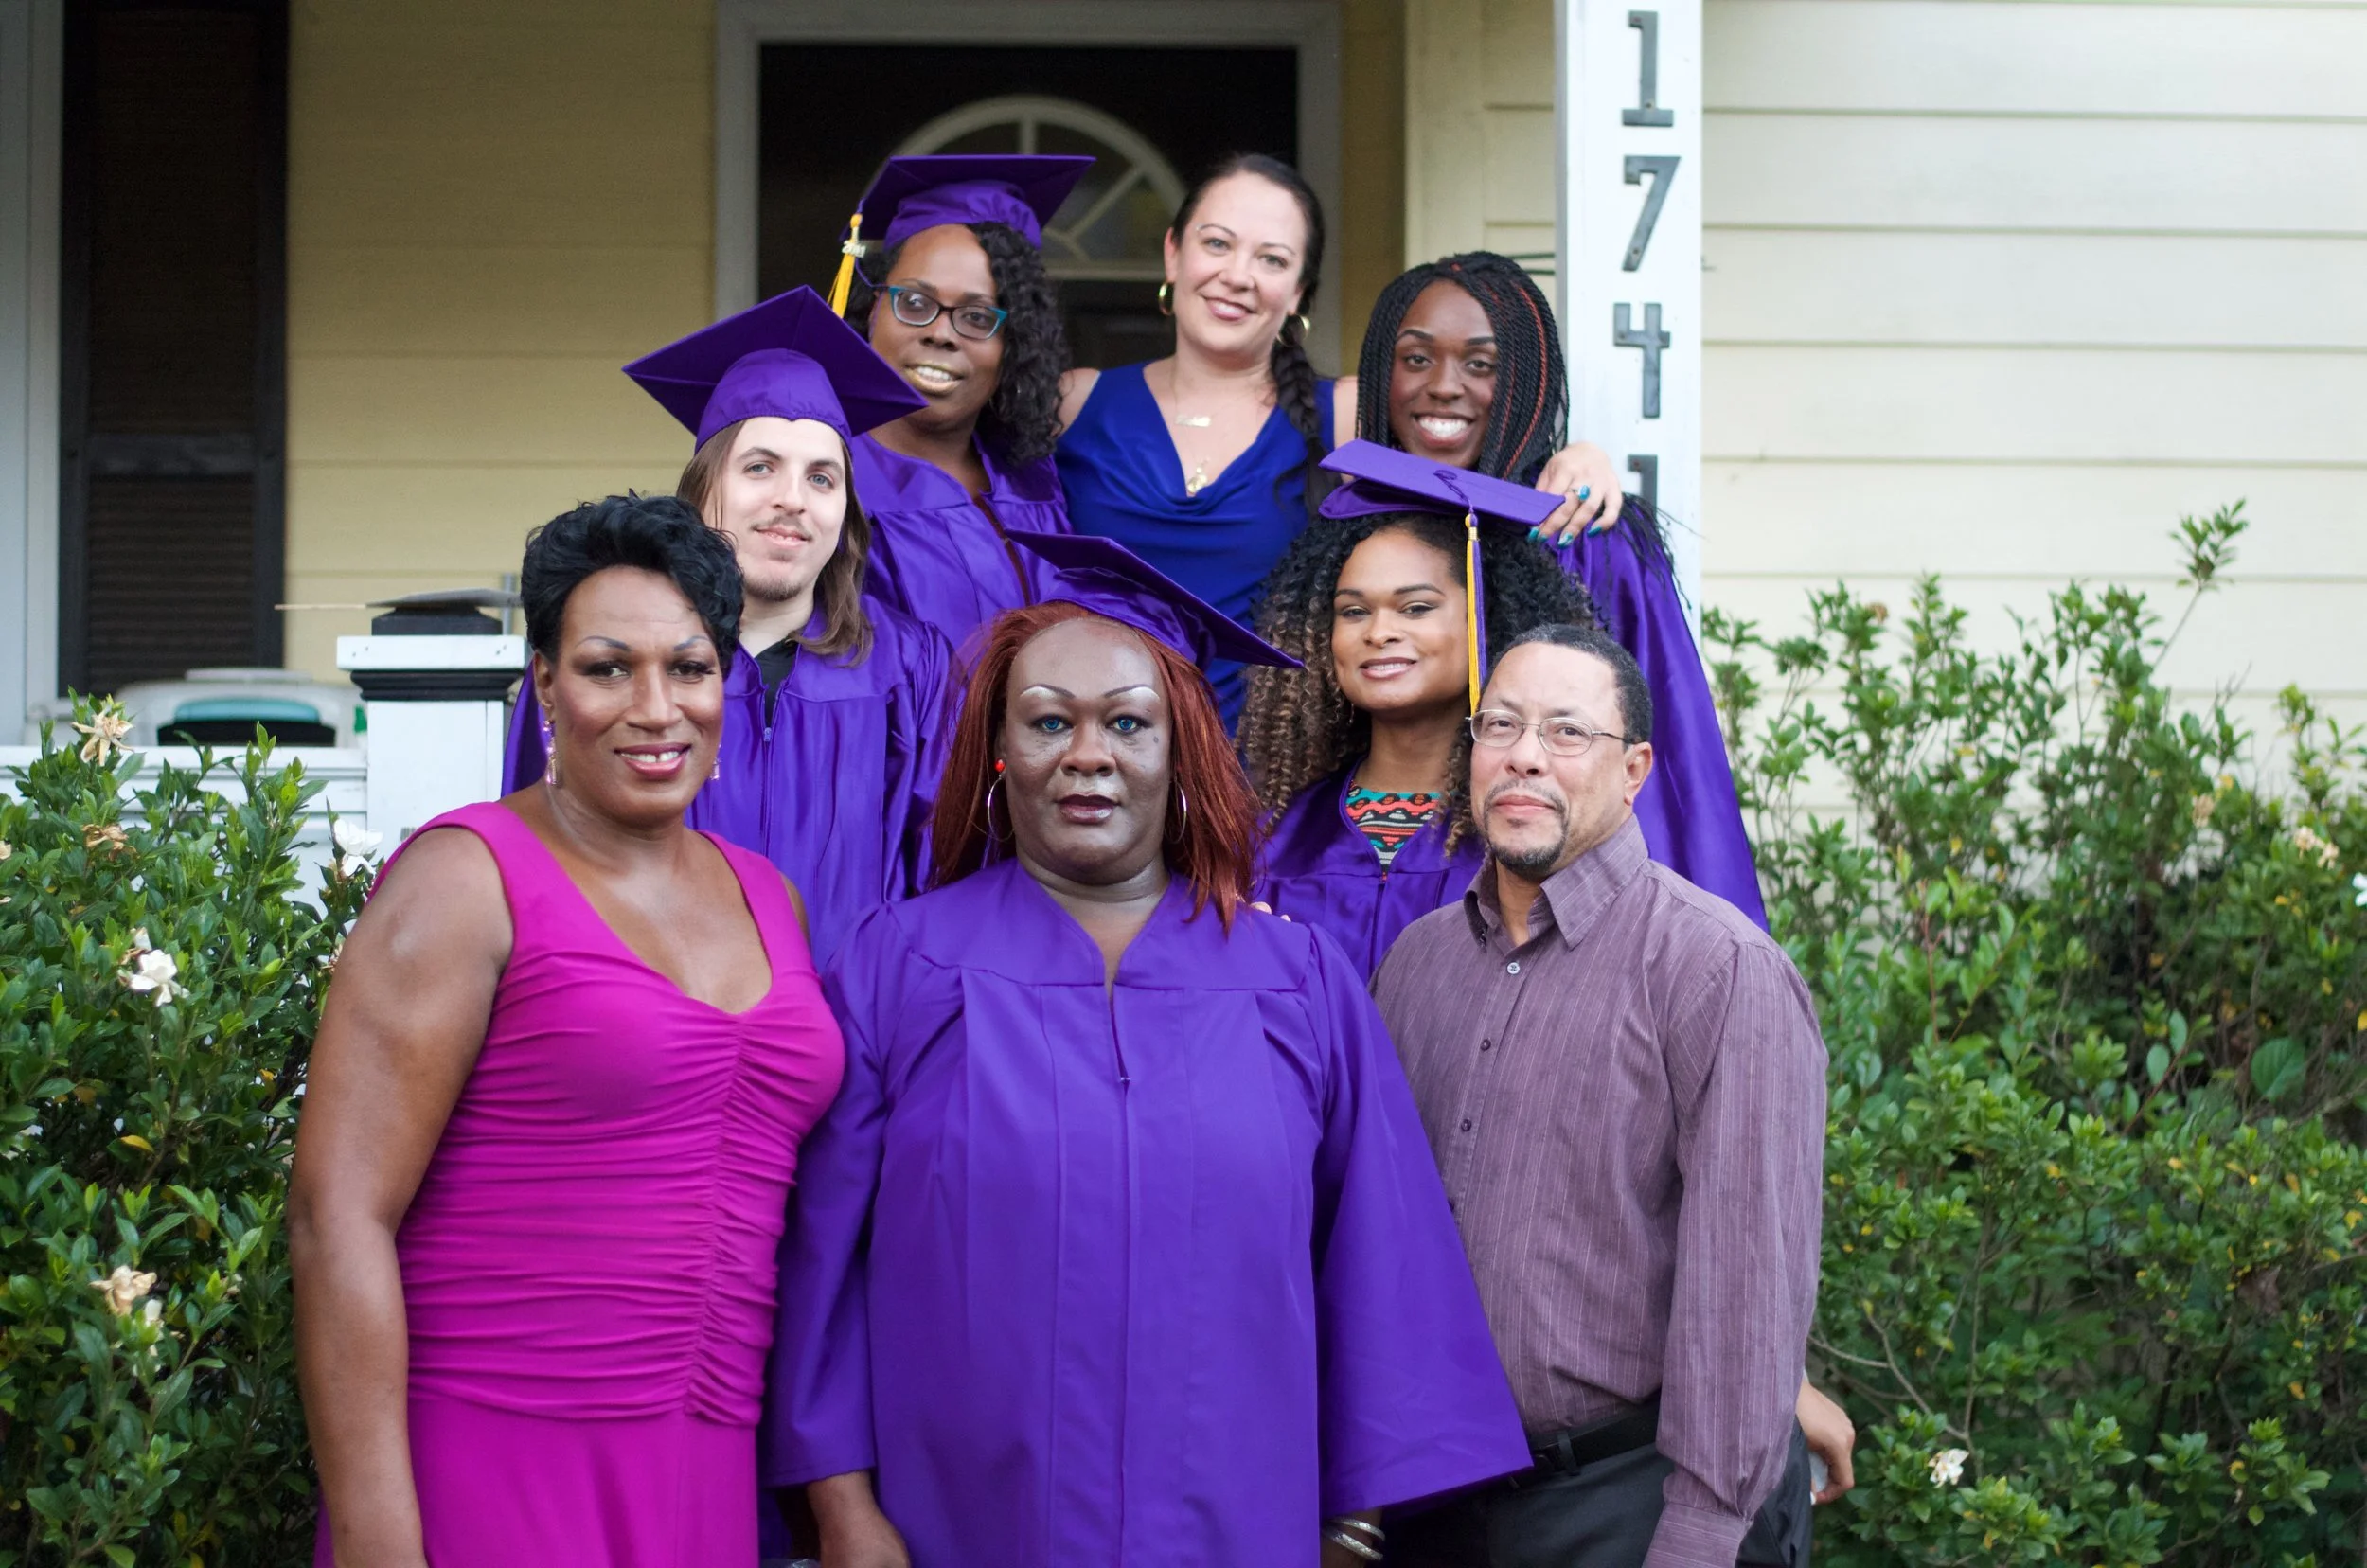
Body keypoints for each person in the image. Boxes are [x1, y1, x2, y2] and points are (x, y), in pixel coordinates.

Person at [763, 532, 1530, 1567]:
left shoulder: (1294, 983)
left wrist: (1354, 1523)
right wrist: (842, 1507)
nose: (1089, 753)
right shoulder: (901, 969)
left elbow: (1381, 1256)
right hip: (955, 1525)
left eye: (1129, 722)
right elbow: (822, 1264)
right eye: (1047, 722)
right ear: (998, 753)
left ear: (1180, 755)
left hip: (1237, 1521)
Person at [291, 495, 845, 1568]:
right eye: (605, 668)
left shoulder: (773, 900)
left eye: (688, 668)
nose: (655, 707)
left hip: (706, 1482)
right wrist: (374, 1535)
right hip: (493, 1465)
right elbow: (336, 1216)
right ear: (543, 683)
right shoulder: (467, 879)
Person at [1375, 622, 1829, 1568]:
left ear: (1634, 769)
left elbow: (1744, 1302)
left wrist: (1700, 1539)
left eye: (1565, 732)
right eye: (1498, 726)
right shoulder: (1416, 967)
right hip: (1441, 1503)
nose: (1523, 758)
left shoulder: (1717, 971)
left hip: (1629, 1504)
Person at [1056, 157, 1620, 728]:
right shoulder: (1074, 403)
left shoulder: (1346, 414)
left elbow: (1477, 481)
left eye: (1272, 259)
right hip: (1099, 762)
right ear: (1174, 253)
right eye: (1217, 244)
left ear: (1299, 291)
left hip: (1266, 779)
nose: (1237, 275)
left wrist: (1577, 457)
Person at [504, 286, 952, 967]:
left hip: (860, 1049)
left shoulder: (910, 671)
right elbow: (533, 867)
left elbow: (941, 878)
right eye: (760, 467)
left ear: (846, 510)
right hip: (652, 1040)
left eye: (823, 478)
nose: (791, 501)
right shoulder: (606, 663)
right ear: (702, 487)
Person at [1354, 251, 1766, 924]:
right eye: (1416, 358)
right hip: (1374, 886)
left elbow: (1672, 747)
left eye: (1481, 364)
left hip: (1549, 903)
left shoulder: (1583, 533)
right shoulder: (1350, 528)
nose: (1444, 386)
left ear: (1523, 382)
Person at [1243, 441, 1596, 979]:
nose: (1379, 632)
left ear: (1484, 621)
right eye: (1353, 611)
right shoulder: (1273, 835)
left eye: (1416, 607)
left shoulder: (1530, 824)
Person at [833, 154, 1084, 649]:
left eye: (975, 316)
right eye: (915, 303)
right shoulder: (825, 479)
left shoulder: (1033, 480)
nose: (941, 334)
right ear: (873, 309)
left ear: (1014, 341)